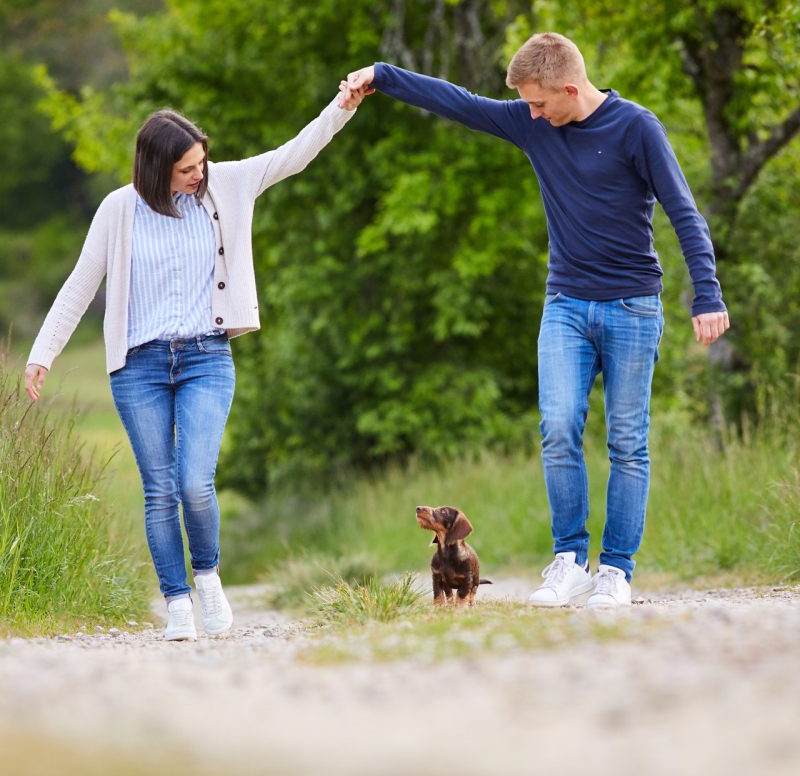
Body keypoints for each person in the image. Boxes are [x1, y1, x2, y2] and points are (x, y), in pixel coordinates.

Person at [344, 32, 729, 609]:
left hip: (632, 306)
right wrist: (382, 74)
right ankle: (569, 560)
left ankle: (616, 572)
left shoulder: (637, 129)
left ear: (571, 88)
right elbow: (460, 102)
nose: (532, 113)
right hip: (566, 304)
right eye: (527, 104)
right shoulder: (533, 122)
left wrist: (708, 294)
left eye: (540, 102)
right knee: (556, 427)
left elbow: (684, 211)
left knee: (627, 443)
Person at [25, 84, 366, 640]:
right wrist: (43, 354)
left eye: (201, 162)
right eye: (186, 168)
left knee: (194, 483)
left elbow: (294, 153)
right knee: (158, 488)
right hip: (138, 367)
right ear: (156, 168)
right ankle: (176, 601)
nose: (198, 175)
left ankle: (207, 576)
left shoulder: (226, 185)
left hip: (207, 356)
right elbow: (80, 285)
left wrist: (342, 108)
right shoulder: (119, 210)